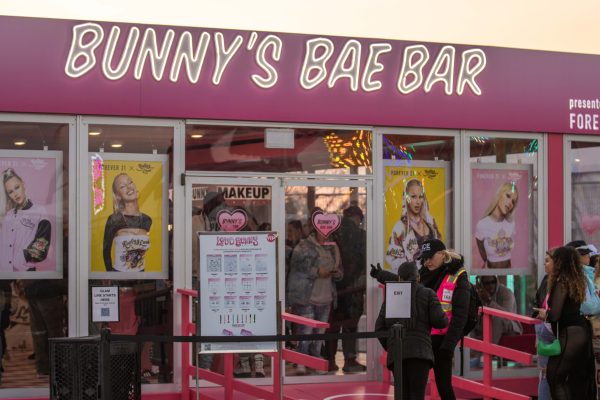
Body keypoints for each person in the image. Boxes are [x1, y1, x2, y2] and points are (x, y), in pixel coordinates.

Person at [375, 261, 448, 400]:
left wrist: (392, 345)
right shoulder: (428, 294)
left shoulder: (393, 296)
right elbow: (440, 322)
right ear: (418, 277)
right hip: (421, 353)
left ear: (399, 278)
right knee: (417, 395)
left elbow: (379, 327)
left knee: (401, 395)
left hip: (397, 353)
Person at [535, 246, 595, 399]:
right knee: (568, 378)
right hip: (580, 331)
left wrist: (544, 314)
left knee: (554, 377)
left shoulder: (562, 282)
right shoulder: (575, 281)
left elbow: (555, 315)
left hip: (570, 332)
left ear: (560, 262)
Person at [287, 218, 343, 375]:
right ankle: (302, 361)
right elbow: (297, 268)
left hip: (326, 297)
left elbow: (340, 270)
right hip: (307, 297)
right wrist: (317, 272)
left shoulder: (332, 247)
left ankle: (315, 360)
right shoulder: (304, 246)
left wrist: (336, 274)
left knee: (319, 334)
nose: (325, 232)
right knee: (305, 331)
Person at [0, 168, 51, 272]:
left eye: (17, 187)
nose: (15, 194)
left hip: (25, 275)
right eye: (10, 192)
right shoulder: (8, 215)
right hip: (4, 274)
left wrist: (22, 257)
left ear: (23, 184)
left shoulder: (40, 212)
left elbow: (41, 247)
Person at [385, 178, 441, 273]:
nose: (418, 201)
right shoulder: (400, 228)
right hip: (413, 279)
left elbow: (440, 250)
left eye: (420, 196)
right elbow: (392, 258)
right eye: (413, 197)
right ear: (407, 198)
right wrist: (412, 269)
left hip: (434, 277)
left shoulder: (431, 223)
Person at [102, 173, 152, 272]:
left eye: (130, 182)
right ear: (118, 196)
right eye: (123, 186)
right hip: (120, 276)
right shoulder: (114, 220)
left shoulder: (147, 220)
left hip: (141, 278)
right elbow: (106, 252)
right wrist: (110, 276)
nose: (129, 187)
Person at [475, 182, 518, 269]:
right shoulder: (482, 224)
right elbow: (483, 254)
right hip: (490, 273)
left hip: (509, 273)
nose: (510, 203)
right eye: (508, 196)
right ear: (499, 195)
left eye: (513, 202)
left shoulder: (511, 224)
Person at [472, 275, 522, 345]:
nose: (491, 285)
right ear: (482, 284)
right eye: (487, 283)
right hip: (487, 324)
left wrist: (489, 301)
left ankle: (489, 350)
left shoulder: (506, 293)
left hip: (510, 324)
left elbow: (507, 315)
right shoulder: (481, 294)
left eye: (493, 282)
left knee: (498, 319)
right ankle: (470, 349)